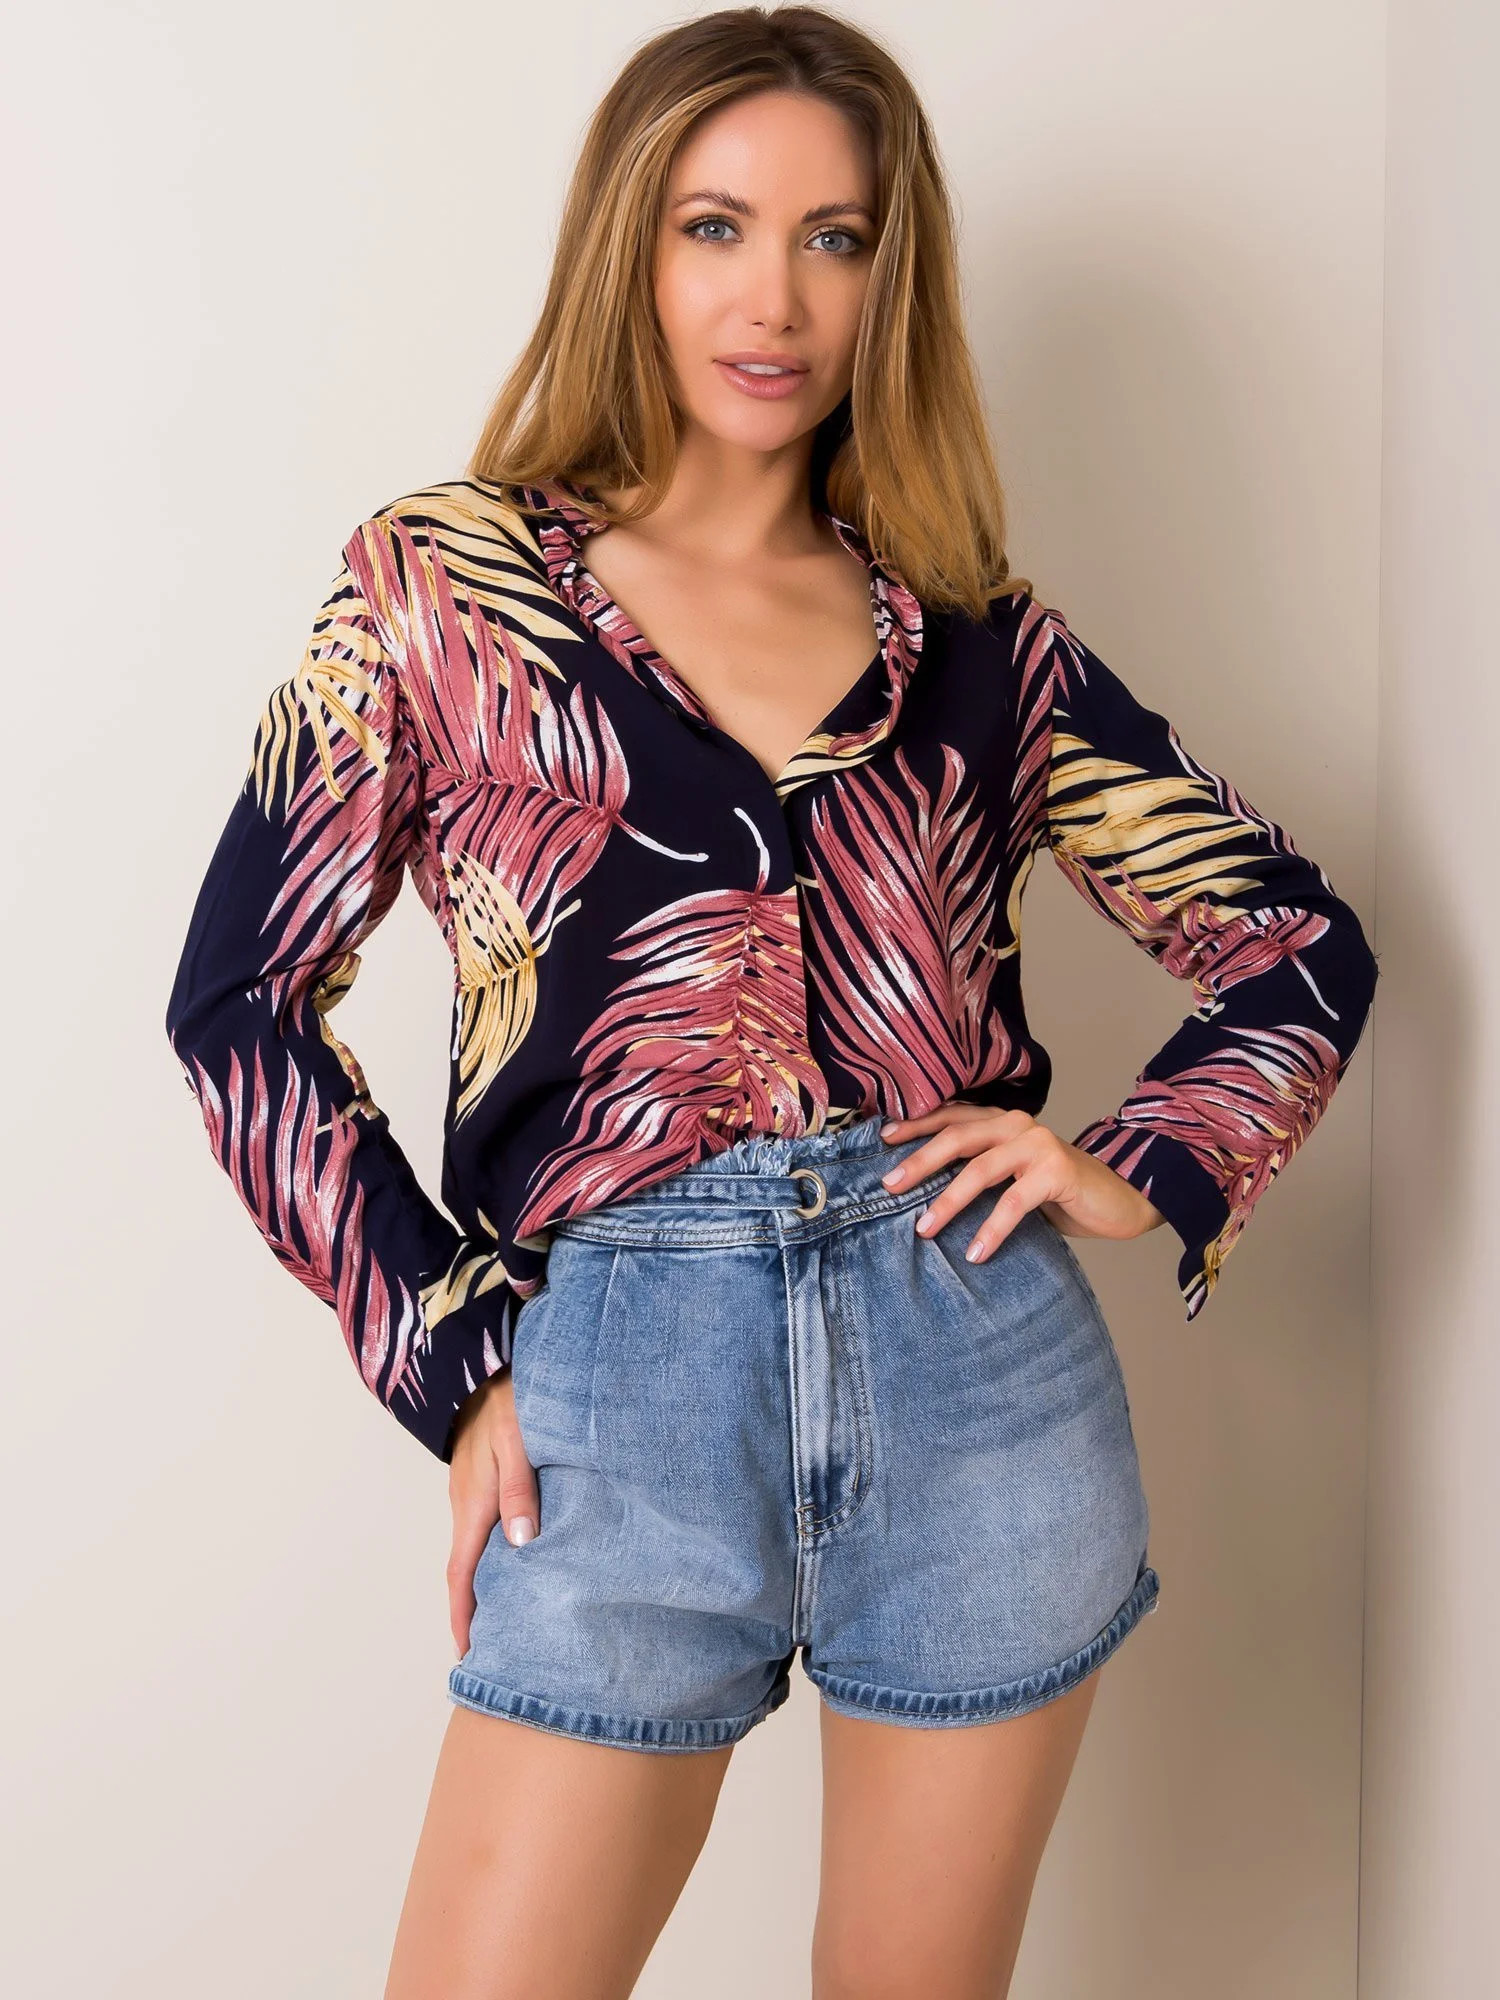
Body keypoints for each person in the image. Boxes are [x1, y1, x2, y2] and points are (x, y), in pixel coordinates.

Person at [163, 7, 1379, 1995]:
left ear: (894, 278)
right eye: (717, 226)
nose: (777, 298)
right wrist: (452, 1355)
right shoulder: (444, 590)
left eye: (838, 238)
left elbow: (1299, 940)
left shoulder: (979, 639)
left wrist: (1140, 1162)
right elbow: (239, 1004)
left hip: (979, 1379)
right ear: (630, 246)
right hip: (617, 1392)